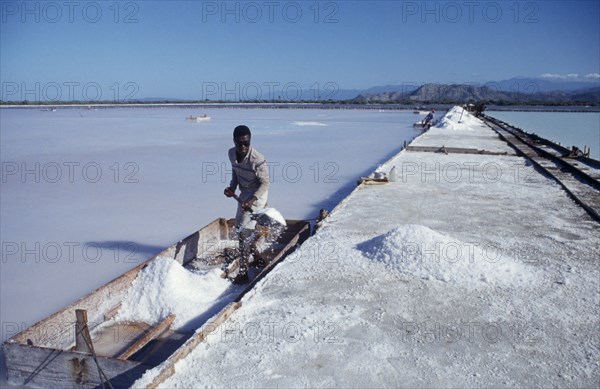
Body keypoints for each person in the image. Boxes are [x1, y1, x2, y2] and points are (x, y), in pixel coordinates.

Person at [223, 125, 270, 283]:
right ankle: (257, 257)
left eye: (246, 143)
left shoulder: (258, 159)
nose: (243, 147)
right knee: (240, 228)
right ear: (234, 141)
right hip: (244, 193)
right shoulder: (231, 153)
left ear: (250, 141)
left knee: (244, 232)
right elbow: (235, 172)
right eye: (239, 143)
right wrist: (232, 187)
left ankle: (243, 273)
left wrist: (252, 199)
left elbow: (265, 184)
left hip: (258, 194)